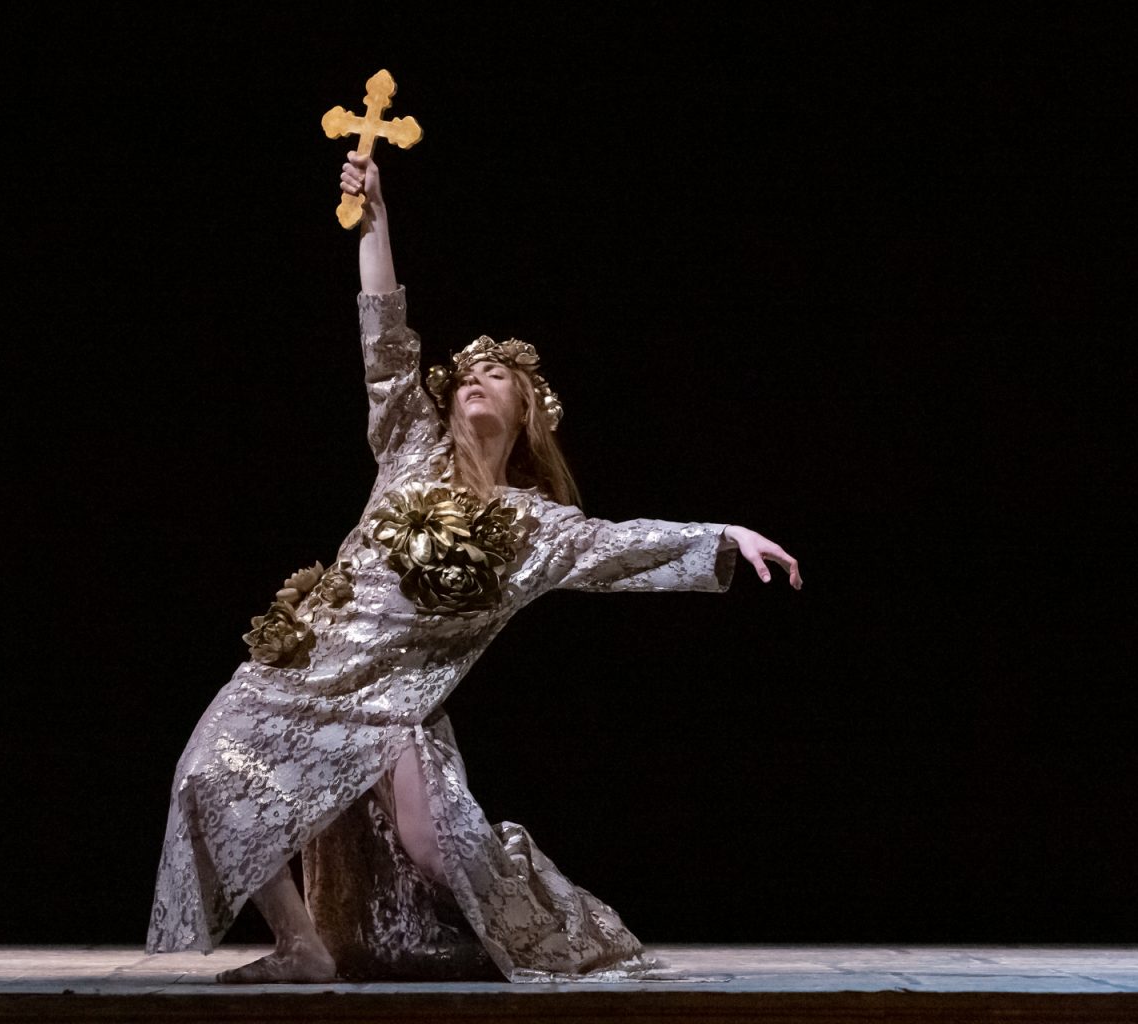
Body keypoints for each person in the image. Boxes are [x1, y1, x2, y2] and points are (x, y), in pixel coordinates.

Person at [146, 152, 802, 983]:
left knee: (434, 850)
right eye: (467, 375)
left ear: (528, 411)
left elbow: (617, 544)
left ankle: (565, 932)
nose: (475, 381)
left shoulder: (532, 525)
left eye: (498, 374)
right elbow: (383, 331)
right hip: (303, 664)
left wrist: (722, 534)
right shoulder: (408, 444)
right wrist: (375, 215)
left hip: (396, 701)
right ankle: (300, 944)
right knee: (207, 774)